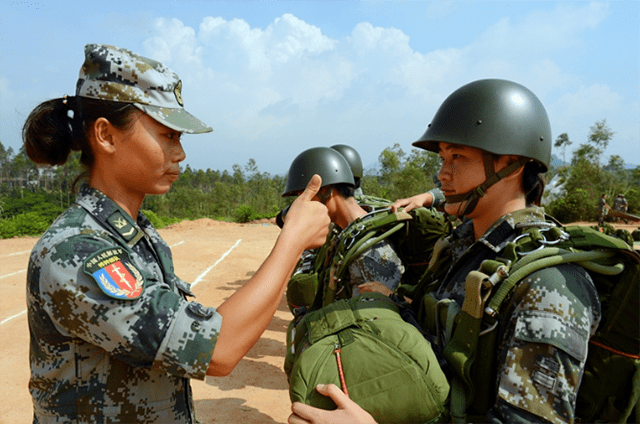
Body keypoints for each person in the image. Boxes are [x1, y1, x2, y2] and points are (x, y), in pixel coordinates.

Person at [22, 43, 330, 424]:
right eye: (168, 135)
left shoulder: (136, 234)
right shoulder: (77, 252)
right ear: (106, 136)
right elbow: (217, 349)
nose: (180, 153)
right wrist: (293, 240)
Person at [289, 79, 601, 423]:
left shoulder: (548, 286)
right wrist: (393, 306)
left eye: (458, 157)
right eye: (442, 157)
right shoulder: (462, 248)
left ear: (512, 163)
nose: (442, 174)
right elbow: (439, 353)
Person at [283, 147, 404, 299]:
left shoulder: (370, 250)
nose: (302, 203)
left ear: (326, 190)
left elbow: (375, 318)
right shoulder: (343, 234)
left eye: (304, 195)